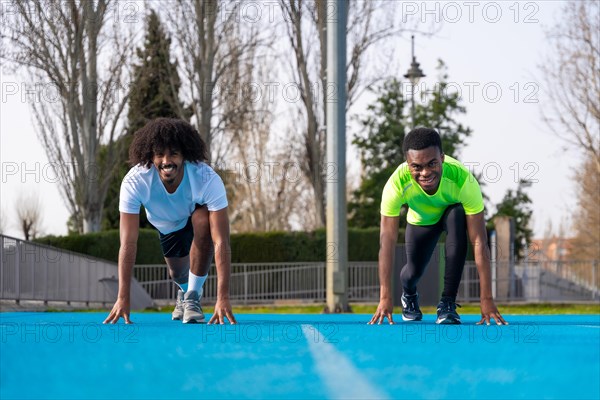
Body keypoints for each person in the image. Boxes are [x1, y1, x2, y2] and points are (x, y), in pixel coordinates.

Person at [104, 118, 236, 325]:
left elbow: (221, 241)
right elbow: (128, 243)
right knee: (177, 272)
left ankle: (192, 298)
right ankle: (184, 292)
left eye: (174, 153)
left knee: (203, 222)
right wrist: (122, 298)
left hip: (194, 213)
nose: (167, 161)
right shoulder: (135, 181)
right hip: (166, 225)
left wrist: (223, 298)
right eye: (159, 154)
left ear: (185, 155)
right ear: (150, 157)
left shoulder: (206, 178)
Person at [369, 127, 507, 326]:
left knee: (457, 213)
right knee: (413, 272)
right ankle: (409, 294)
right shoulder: (396, 184)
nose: (425, 173)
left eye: (432, 163)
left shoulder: (463, 180)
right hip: (421, 222)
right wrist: (385, 298)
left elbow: (479, 241)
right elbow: (387, 242)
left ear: (442, 158)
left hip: (450, 214)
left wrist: (486, 300)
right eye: (416, 167)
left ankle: (447, 303)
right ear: (407, 166)